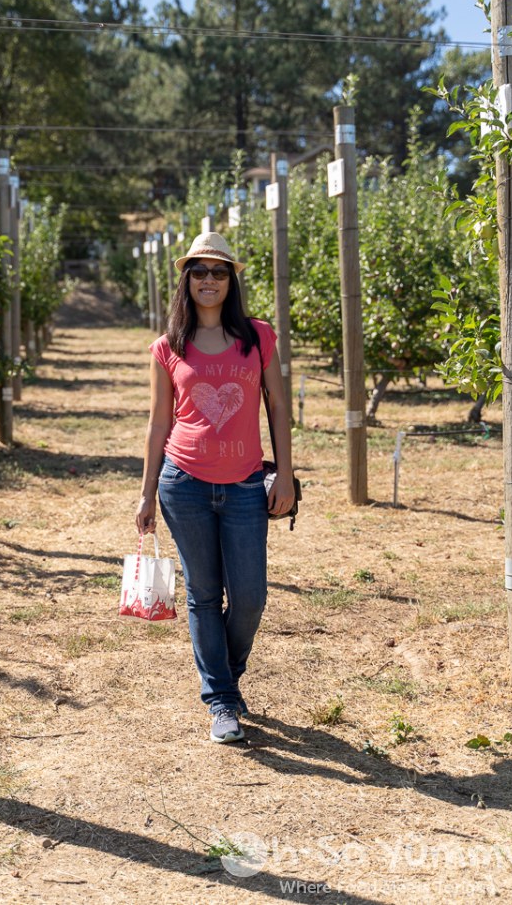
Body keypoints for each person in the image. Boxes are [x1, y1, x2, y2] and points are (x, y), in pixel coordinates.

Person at [135, 231, 294, 744]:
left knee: (249, 596)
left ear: (232, 281)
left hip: (247, 484)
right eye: (199, 271)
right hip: (183, 484)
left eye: (219, 272)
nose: (209, 280)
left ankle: (225, 674)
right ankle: (222, 700)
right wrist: (145, 493)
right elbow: (159, 423)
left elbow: (278, 408)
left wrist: (286, 472)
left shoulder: (258, 336)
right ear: (187, 280)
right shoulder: (168, 347)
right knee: (204, 595)